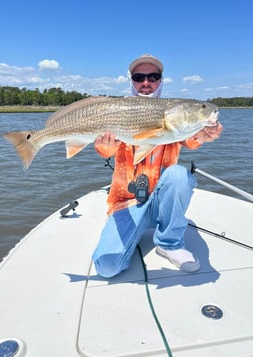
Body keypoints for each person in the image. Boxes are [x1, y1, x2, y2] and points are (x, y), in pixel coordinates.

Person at [93, 54, 223, 278]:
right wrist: (104, 146)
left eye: (153, 76)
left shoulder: (173, 113)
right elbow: (106, 151)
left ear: (161, 80)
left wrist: (204, 135)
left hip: (163, 202)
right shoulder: (119, 110)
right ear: (132, 80)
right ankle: (130, 231)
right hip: (127, 202)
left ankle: (169, 242)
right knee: (107, 267)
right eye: (139, 77)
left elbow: (191, 139)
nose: (146, 82)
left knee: (179, 175)